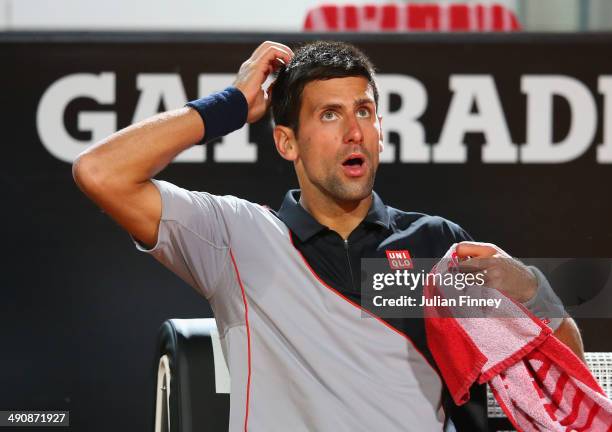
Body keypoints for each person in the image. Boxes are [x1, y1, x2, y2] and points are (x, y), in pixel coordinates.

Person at [72, 40, 584, 431]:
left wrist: (531, 288)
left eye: (363, 111)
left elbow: (562, 375)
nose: (354, 131)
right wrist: (230, 104)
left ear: (381, 130)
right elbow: (101, 172)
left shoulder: (436, 248)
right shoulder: (235, 237)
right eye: (330, 114)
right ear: (286, 141)